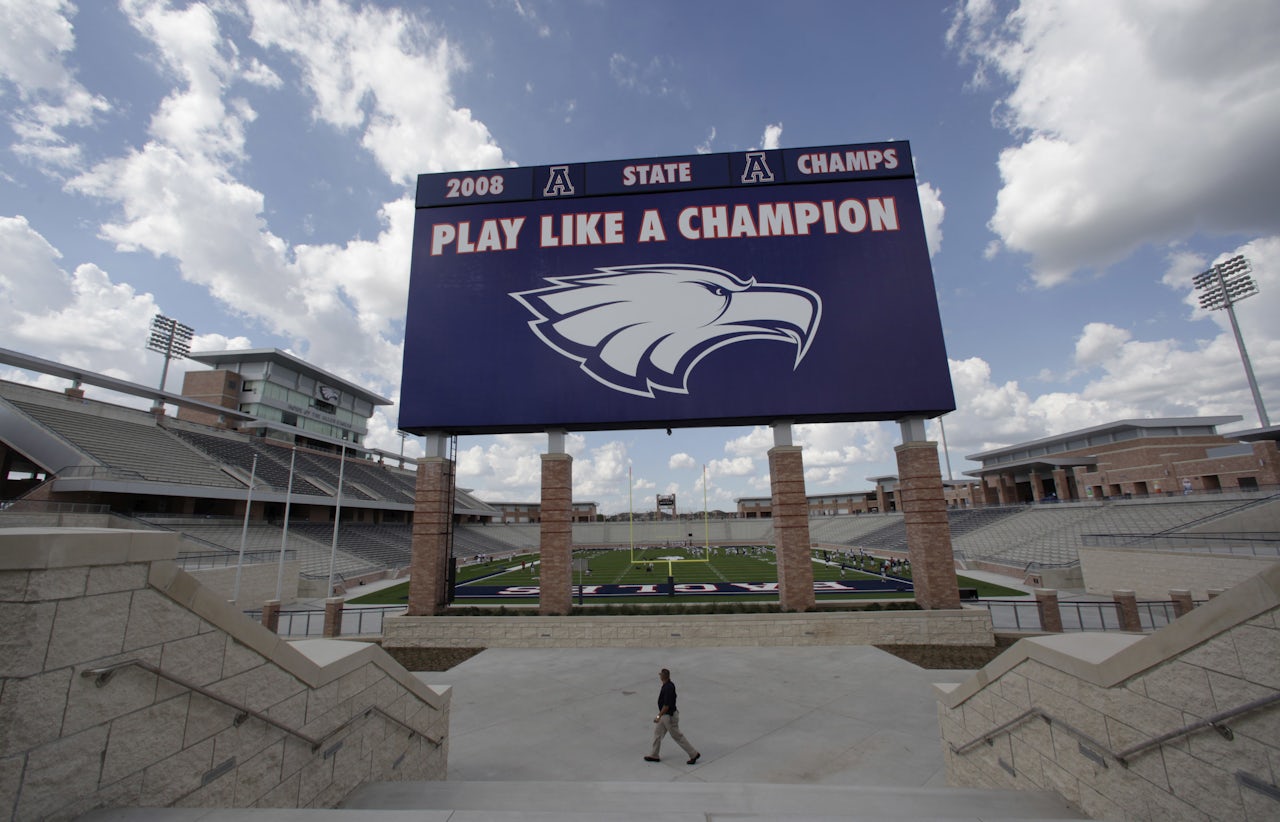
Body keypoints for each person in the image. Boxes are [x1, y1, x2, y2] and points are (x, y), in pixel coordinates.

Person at [644, 668, 700, 765]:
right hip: (665, 716)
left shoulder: (668, 688)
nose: (660, 676)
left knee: (677, 736)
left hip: (668, 717)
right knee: (658, 734)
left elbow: (666, 706)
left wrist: (658, 716)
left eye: (660, 675)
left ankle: (693, 754)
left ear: (663, 676)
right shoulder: (668, 684)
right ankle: (654, 755)